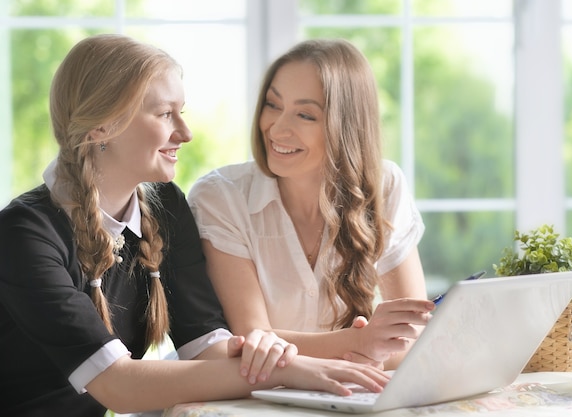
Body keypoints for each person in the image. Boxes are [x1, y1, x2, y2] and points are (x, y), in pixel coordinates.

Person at [0, 34, 390, 417]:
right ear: (102, 126)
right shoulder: (24, 233)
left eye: (181, 113)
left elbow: (206, 345)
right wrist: (291, 372)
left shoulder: (165, 206)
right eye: (165, 114)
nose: (184, 134)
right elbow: (117, 385)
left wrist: (271, 356)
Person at [188, 38, 433, 371]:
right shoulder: (221, 197)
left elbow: (414, 337)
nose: (277, 127)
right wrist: (361, 343)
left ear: (345, 126)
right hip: (251, 395)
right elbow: (256, 341)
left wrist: (370, 351)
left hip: (345, 392)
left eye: (305, 114)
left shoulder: (385, 185)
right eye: (273, 105)